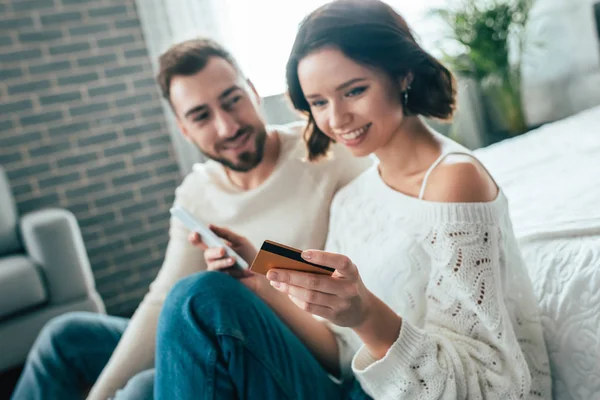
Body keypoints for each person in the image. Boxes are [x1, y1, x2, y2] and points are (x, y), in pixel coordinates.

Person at [154, 0, 553, 398]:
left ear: (402, 74)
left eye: (354, 90)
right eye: (319, 103)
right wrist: (257, 277)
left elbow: (495, 385)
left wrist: (365, 314)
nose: (337, 118)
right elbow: (341, 355)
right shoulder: (351, 198)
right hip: (355, 388)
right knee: (153, 367)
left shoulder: (453, 181)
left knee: (196, 299)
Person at [10, 38, 370, 400]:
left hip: (300, 354)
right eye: (201, 116)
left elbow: (351, 287)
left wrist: (256, 274)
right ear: (184, 129)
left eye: (233, 101)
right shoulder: (197, 191)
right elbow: (161, 298)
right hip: (222, 332)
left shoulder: (329, 157)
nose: (227, 127)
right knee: (68, 336)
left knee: (146, 380)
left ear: (254, 92)